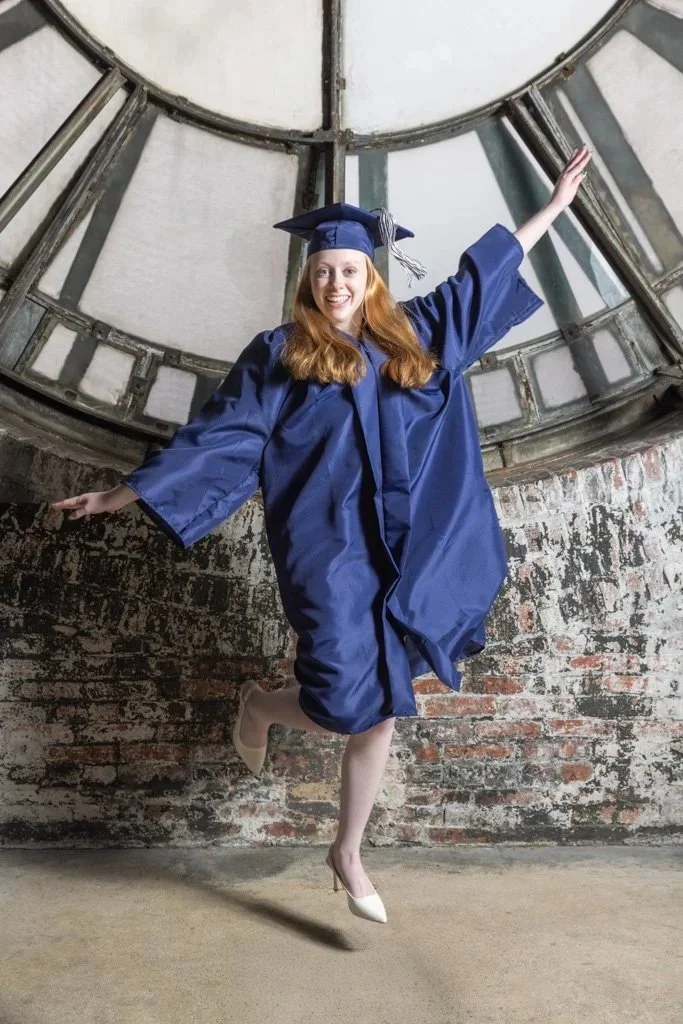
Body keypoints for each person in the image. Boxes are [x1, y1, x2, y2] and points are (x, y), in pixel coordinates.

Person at [51, 144, 593, 924]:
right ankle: (265, 706)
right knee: (342, 697)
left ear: (370, 276)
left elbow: (482, 281)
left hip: (406, 548)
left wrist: (547, 209)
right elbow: (220, 436)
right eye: (321, 273)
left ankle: (347, 848)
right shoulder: (281, 355)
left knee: (381, 707)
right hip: (330, 550)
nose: (334, 284)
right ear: (308, 282)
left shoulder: (417, 336)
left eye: (347, 271)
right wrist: (122, 493)